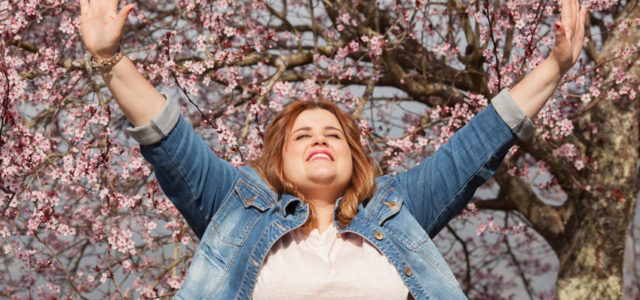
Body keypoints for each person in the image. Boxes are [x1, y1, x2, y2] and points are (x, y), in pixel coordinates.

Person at [79, 0, 587, 298]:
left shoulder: (396, 208)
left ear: (353, 158)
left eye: (332, 135)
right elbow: (170, 139)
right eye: (302, 135)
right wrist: (110, 58)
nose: (319, 139)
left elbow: (477, 146)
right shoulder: (234, 205)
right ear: (276, 160)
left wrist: (555, 67)